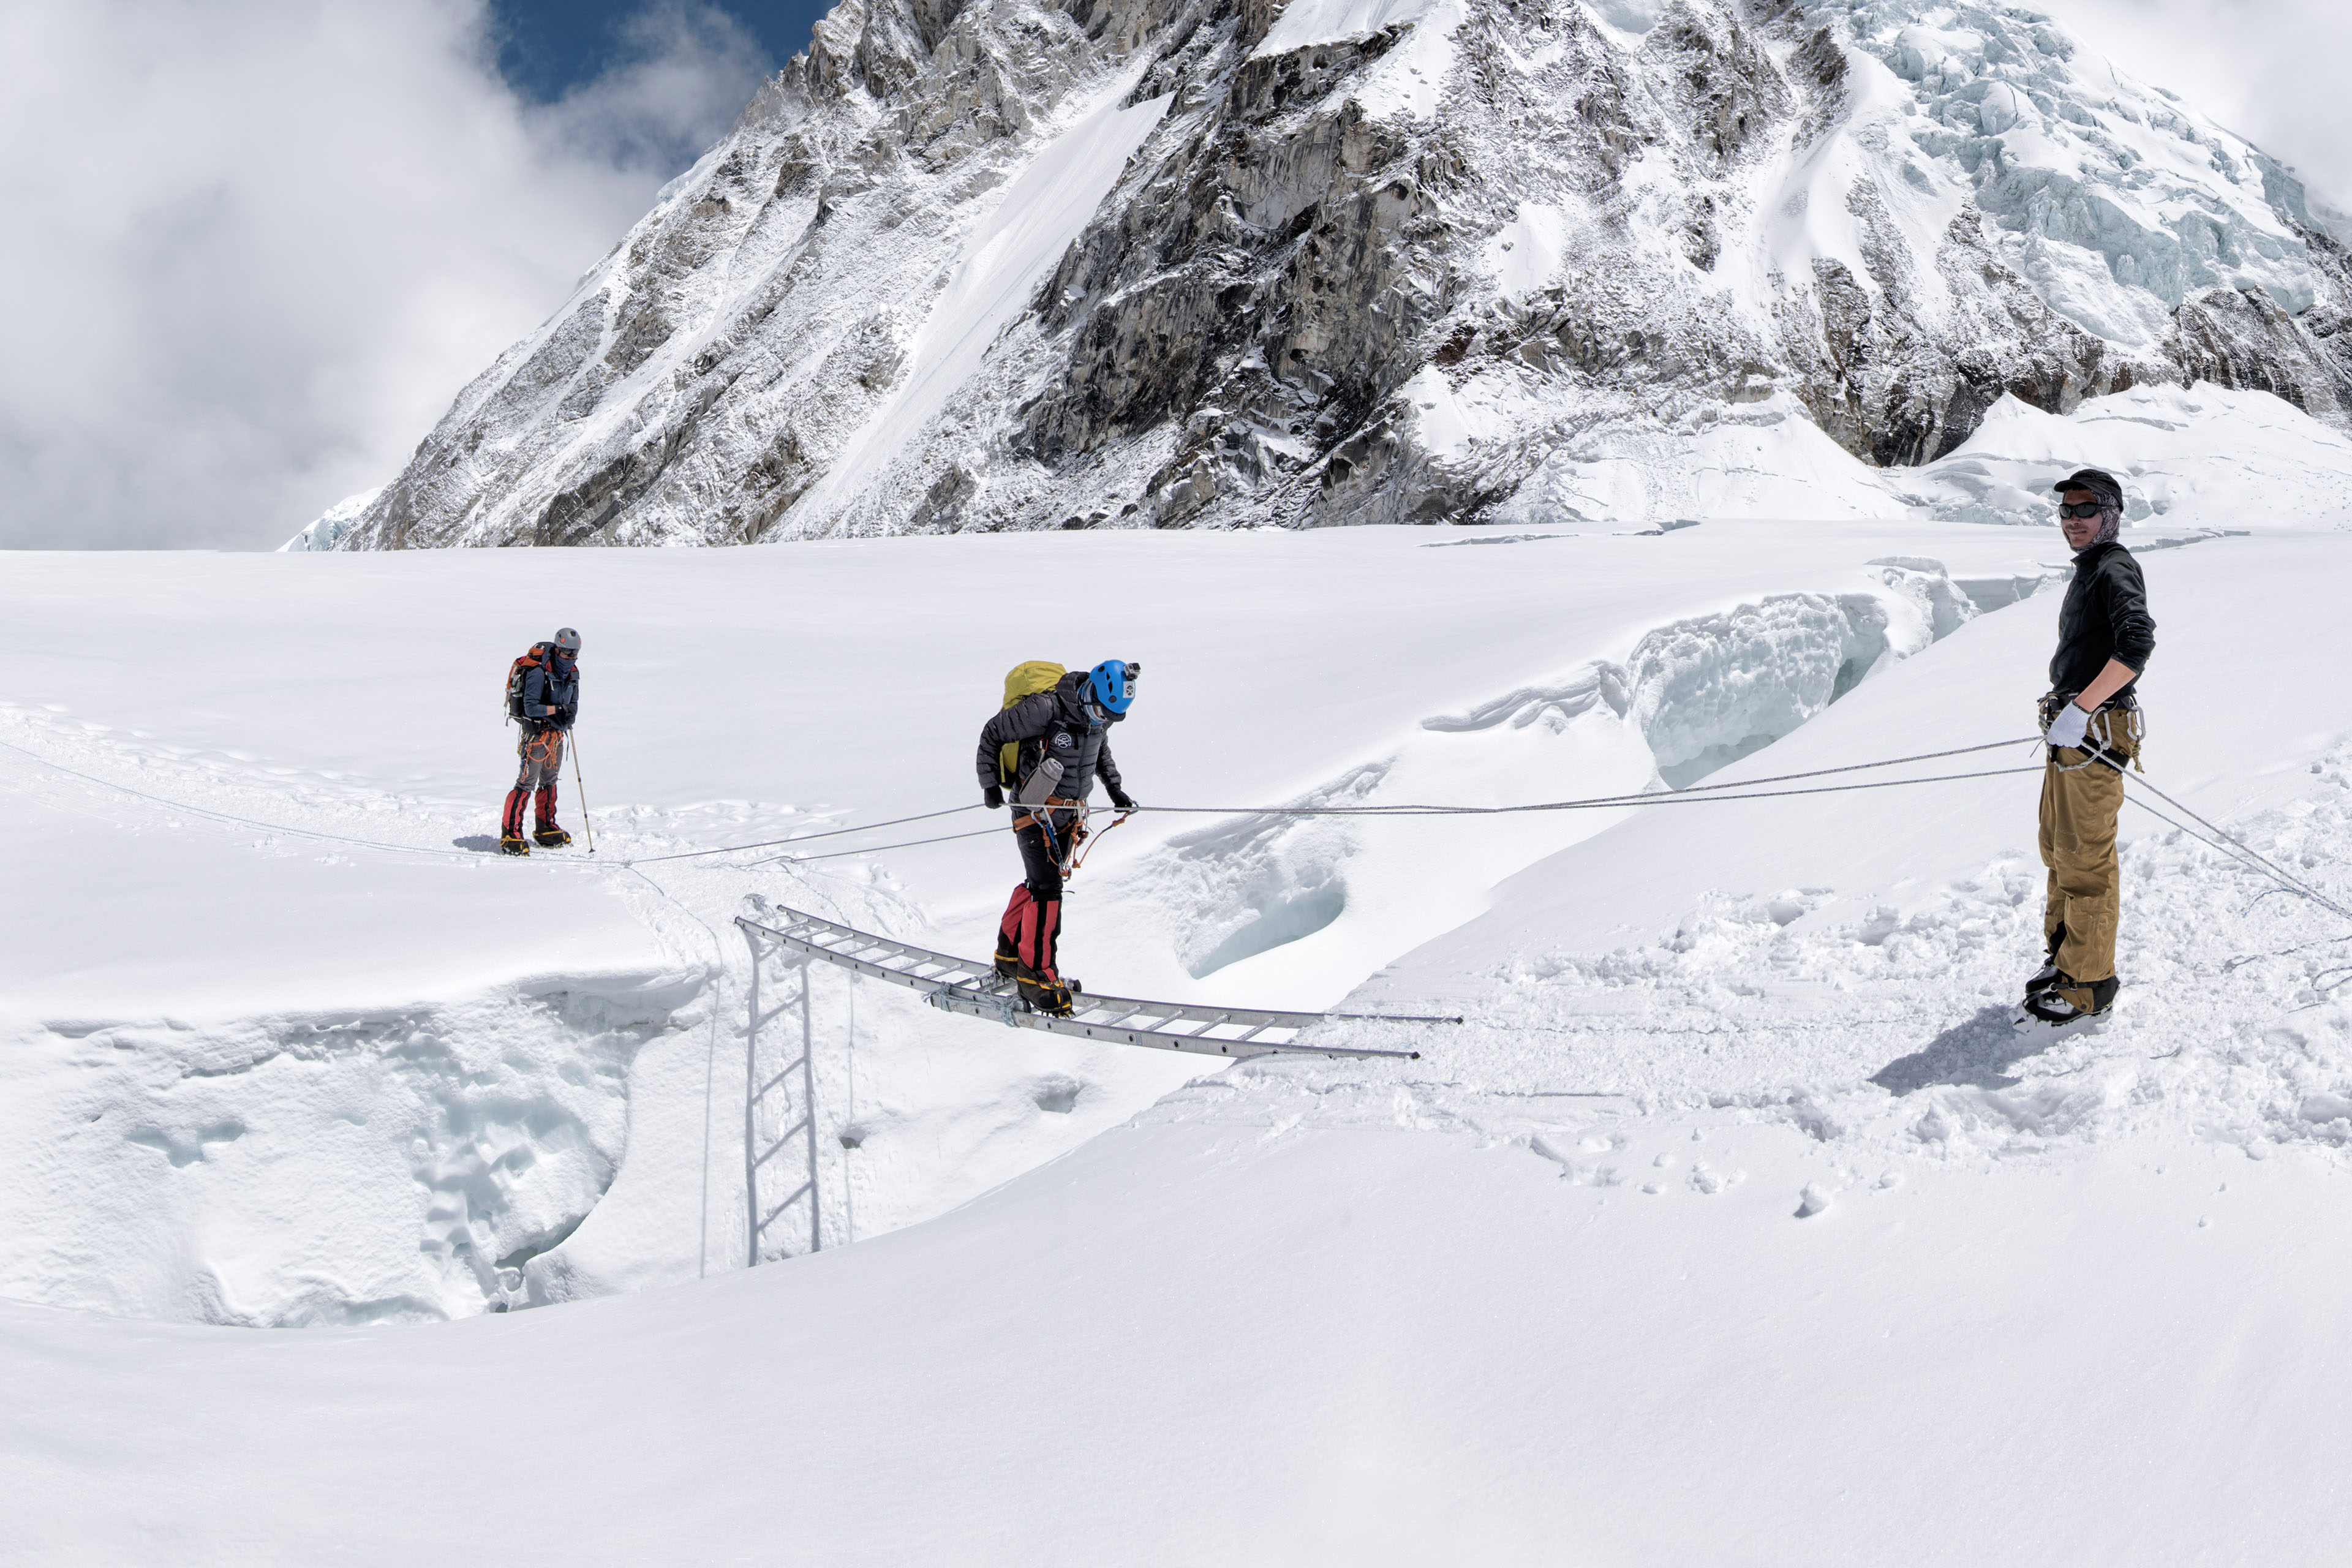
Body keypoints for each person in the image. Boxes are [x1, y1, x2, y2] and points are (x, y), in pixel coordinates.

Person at [2019, 469, 2155, 1031]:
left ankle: (2089, 985)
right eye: (2066, 511)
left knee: (2085, 860)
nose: (2073, 520)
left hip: (2093, 732)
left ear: (2111, 514)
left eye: (2085, 509)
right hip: (2075, 730)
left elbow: (2137, 643)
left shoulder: (2115, 565)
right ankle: (2067, 958)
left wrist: (2081, 710)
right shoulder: (2093, 568)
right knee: (2059, 848)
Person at [977, 660, 1140, 1015]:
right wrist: (990, 785)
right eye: (1099, 711)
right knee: (1048, 891)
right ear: (1089, 690)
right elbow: (992, 733)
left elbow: (1101, 753)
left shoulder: (1099, 716)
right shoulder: (1044, 708)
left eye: (1109, 717)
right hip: (1033, 810)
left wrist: (1115, 790)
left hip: (1067, 815)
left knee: (1039, 885)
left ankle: (1009, 956)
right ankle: (1036, 978)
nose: (1102, 720)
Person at [500, 627, 581, 856]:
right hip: (536, 735)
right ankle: (511, 833)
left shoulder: (573, 673)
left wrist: (569, 714)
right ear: (557, 649)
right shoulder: (539, 672)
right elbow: (530, 707)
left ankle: (546, 827)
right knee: (526, 783)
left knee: (549, 781)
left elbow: (573, 703)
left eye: (574, 654)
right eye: (566, 653)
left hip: (556, 736)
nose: (571, 658)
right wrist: (559, 709)